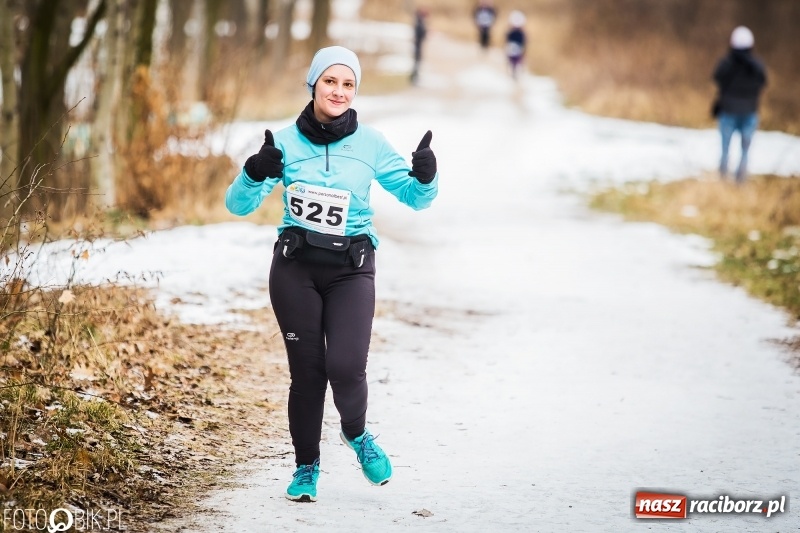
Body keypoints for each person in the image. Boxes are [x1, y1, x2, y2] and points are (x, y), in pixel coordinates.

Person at [225, 46, 439, 503]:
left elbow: (416, 198)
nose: (339, 91)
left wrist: (425, 178)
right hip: (295, 269)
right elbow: (238, 205)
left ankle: (356, 434)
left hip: (351, 270)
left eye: (348, 84)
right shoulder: (283, 142)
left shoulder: (371, 144)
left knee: (345, 366)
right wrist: (254, 172)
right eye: (330, 81)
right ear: (313, 84)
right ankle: (306, 467)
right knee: (307, 375)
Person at [712, 25, 767, 183]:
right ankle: (741, 181)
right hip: (749, 112)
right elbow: (763, 82)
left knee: (725, 148)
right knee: (745, 150)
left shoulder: (727, 62)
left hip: (728, 111)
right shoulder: (756, 65)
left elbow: (717, 77)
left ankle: (722, 179)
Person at [505, 10, 526, 79]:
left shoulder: (521, 33)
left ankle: (516, 73)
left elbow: (523, 42)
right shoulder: (511, 32)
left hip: (517, 49)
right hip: (512, 48)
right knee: (512, 61)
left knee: (517, 61)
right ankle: (513, 73)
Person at [411, 8, 428, 85]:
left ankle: (415, 78)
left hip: (418, 46)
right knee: (416, 62)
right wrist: (425, 32)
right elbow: (420, 34)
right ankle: (414, 78)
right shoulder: (419, 23)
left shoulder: (419, 22)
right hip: (417, 46)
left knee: (417, 62)